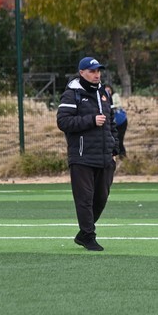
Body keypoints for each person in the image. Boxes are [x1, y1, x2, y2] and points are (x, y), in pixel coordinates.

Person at [57, 57, 118, 252]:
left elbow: (111, 124)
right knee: (84, 199)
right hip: (82, 157)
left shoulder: (103, 93)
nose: (96, 74)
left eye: (98, 71)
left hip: (105, 157)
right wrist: (91, 120)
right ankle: (89, 235)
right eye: (92, 71)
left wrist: (114, 150)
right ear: (81, 72)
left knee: (101, 198)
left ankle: (83, 235)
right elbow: (63, 122)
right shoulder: (72, 94)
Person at [105, 84, 128, 157]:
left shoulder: (115, 96)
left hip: (121, 121)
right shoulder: (102, 98)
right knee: (112, 140)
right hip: (111, 123)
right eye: (106, 91)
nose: (108, 92)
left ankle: (122, 155)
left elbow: (118, 105)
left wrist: (111, 106)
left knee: (119, 139)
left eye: (109, 90)